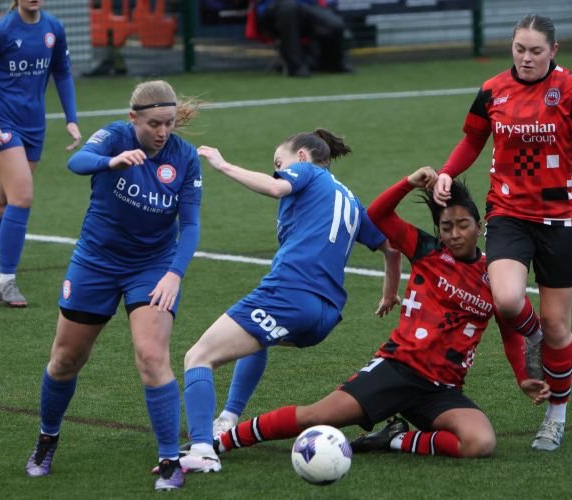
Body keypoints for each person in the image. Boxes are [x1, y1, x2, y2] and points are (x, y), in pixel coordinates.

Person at [211, 167, 549, 461]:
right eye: (447, 227)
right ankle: (222, 441)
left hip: (442, 388)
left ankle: (396, 439)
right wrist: (407, 183)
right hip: (397, 370)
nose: (455, 234)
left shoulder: (495, 276)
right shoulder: (426, 250)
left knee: (479, 442)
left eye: (463, 225)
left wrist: (523, 377)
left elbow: (511, 334)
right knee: (315, 417)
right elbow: (376, 215)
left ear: (480, 226)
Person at [432, 14, 572, 452]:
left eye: (536, 51)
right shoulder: (493, 90)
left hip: (562, 219)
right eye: (520, 49)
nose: (527, 58)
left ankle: (556, 415)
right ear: (511, 47)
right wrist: (446, 172)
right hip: (509, 212)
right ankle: (530, 334)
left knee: (557, 326)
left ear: (554, 51)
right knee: (508, 299)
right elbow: (473, 141)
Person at [179, 129, 401, 473]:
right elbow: (391, 248)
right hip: (324, 317)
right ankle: (226, 420)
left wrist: (222, 165)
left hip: (290, 294)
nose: (277, 171)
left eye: (278, 163)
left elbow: (273, 188)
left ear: (300, 157)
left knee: (198, 356)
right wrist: (389, 292)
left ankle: (203, 449)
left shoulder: (307, 171)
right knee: (257, 340)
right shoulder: (350, 199)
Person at [24, 80, 203, 491]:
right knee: (66, 359)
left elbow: (189, 224)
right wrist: (111, 162)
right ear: (133, 118)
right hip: (97, 262)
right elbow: (77, 162)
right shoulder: (113, 136)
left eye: (169, 123)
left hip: (153, 266)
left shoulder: (185, 157)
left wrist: (174, 272)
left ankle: (169, 459)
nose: (162, 132)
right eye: (154, 123)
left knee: (151, 354)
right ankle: (47, 438)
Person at [0, 0, 82, 307]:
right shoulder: (0, 30)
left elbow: (63, 73)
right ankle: (6, 281)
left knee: (1, 202)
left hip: (33, 128)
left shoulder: (54, 28)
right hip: (0, 127)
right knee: (22, 196)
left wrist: (71, 119)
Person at [254, 0, 353, 77]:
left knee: (335, 24)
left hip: (305, 6)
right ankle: (295, 67)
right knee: (289, 8)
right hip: (274, 9)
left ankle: (333, 64)